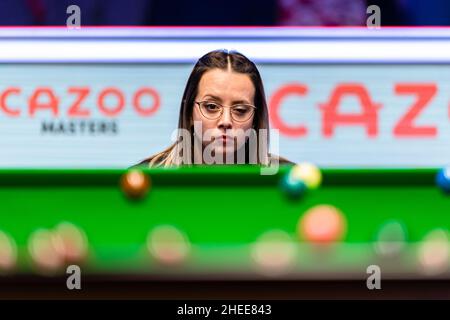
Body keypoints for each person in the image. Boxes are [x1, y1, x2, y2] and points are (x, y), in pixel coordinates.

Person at [135, 49, 293, 168]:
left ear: (255, 119)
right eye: (211, 106)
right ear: (189, 113)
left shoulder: (286, 177)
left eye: (240, 110)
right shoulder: (148, 176)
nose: (225, 121)